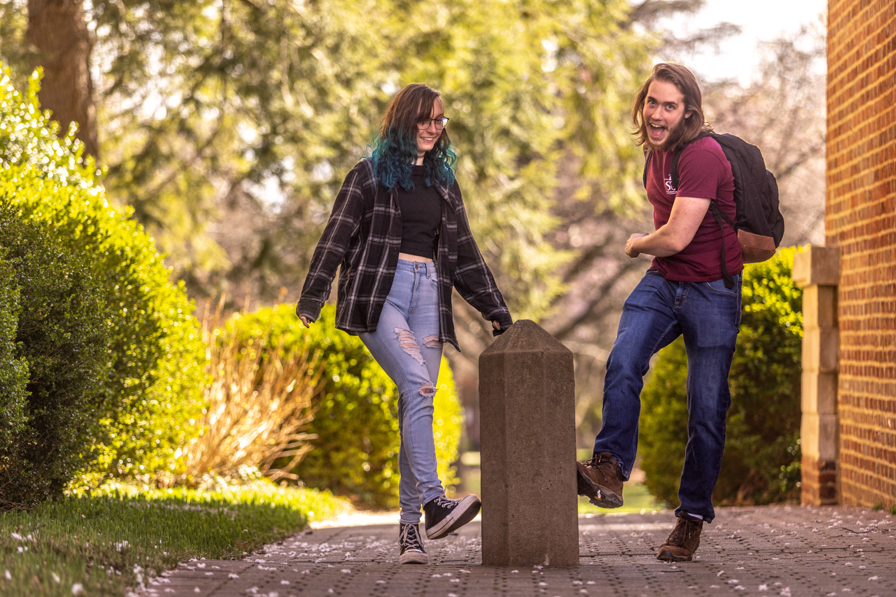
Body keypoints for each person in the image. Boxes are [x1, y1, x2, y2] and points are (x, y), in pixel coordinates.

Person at [297, 84, 513, 565]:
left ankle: (410, 532)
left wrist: (495, 308)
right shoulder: (368, 175)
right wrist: (314, 297)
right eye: (426, 119)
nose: (435, 127)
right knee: (418, 384)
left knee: (416, 401)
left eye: (440, 120)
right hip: (380, 294)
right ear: (403, 121)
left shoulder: (444, 184)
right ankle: (436, 503)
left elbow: (464, 253)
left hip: (429, 293)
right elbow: (335, 237)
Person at [576, 63, 742, 562]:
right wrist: (653, 253)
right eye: (652, 102)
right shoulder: (656, 154)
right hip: (666, 281)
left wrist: (635, 245)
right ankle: (609, 469)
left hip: (713, 289)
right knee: (624, 359)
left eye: (669, 105)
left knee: (706, 409)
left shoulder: (704, 155)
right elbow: (670, 247)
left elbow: (674, 236)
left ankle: (690, 519)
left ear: (687, 111)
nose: (656, 112)